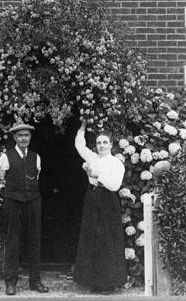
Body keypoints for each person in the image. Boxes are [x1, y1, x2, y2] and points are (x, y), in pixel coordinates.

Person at [73, 120, 127, 293]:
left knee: (107, 240)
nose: (102, 145)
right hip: (92, 198)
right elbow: (80, 146)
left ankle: (108, 283)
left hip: (108, 200)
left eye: (105, 142)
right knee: (92, 238)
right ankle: (94, 281)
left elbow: (114, 185)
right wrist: (82, 127)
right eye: (98, 142)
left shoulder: (116, 163)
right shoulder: (93, 158)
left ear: (111, 144)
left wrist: (98, 174)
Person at [0, 123, 49, 296]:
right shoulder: (6, 157)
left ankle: (35, 281)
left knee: (34, 241)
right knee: (13, 241)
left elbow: (36, 178)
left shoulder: (36, 157)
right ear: (15, 138)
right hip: (13, 202)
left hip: (33, 202)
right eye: (20, 136)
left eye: (26, 135)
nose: (24, 138)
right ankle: (10, 283)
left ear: (30, 137)